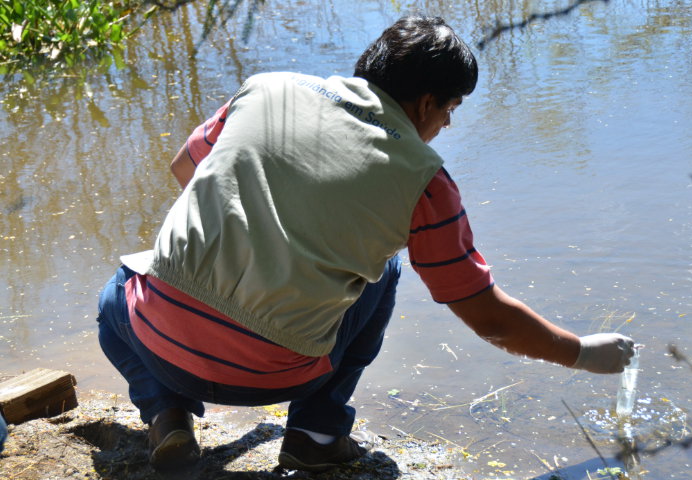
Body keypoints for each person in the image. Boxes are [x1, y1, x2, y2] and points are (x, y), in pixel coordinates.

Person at [96, 15, 635, 473]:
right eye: (450, 111)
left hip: (157, 342)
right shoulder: (424, 179)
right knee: (388, 271)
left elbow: (186, 171)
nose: (445, 125)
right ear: (426, 104)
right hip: (274, 373)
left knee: (114, 296)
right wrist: (582, 353)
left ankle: (166, 414)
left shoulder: (264, 90)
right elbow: (489, 317)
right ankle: (317, 432)